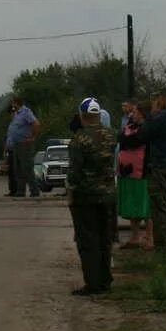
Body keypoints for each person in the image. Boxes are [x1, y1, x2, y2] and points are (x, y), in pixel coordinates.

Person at [120, 88, 166, 249]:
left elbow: (142, 136)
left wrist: (149, 117)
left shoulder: (160, 117)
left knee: (160, 208)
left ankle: (163, 246)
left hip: (160, 166)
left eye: (157, 98)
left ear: (163, 99)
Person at [66, 99, 118, 295]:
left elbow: (74, 172)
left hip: (85, 196)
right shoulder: (111, 135)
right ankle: (106, 279)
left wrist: (71, 191)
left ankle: (93, 283)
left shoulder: (79, 139)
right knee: (106, 238)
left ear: (82, 115)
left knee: (88, 240)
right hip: (108, 194)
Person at [116, 101, 151, 251]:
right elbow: (120, 138)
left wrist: (126, 139)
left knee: (144, 205)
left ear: (142, 113)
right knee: (131, 205)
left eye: (135, 112)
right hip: (126, 171)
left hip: (141, 172)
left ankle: (149, 237)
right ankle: (134, 237)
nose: (132, 114)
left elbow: (134, 141)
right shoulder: (130, 126)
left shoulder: (147, 128)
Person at [4, 97, 40, 198]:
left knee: (27, 167)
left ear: (16, 103)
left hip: (25, 144)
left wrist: (32, 137)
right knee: (18, 169)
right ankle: (20, 191)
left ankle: (34, 191)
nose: (12, 106)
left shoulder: (26, 112)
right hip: (16, 144)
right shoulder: (17, 114)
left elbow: (36, 124)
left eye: (13, 103)